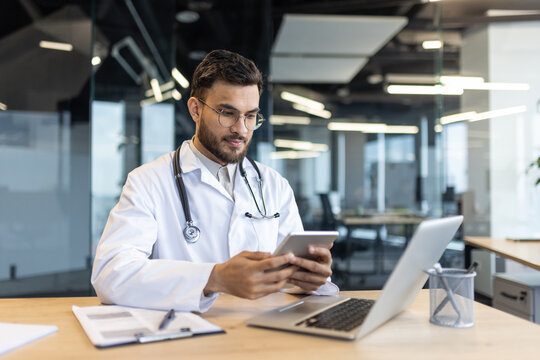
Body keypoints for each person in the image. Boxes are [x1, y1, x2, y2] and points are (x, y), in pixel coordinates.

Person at [91, 49, 338, 312]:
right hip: (188, 335)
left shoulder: (273, 184)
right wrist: (214, 278)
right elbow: (111, 274)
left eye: (251, 116)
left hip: (261, 334)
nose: (241, 129)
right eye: (227, 113)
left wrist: (309, 278)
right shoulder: (148, 181)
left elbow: (289, 276)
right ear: (196, 110)